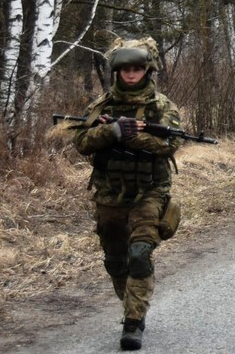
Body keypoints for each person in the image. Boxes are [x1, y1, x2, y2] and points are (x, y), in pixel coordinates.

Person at [72, 37, 182, 350]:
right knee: (115, 259)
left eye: (137, 69)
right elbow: (81, 142)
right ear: (117, 72)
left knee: (140, 253)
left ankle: (134, 321)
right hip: (109, 192)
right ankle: (131, 304)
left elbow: (170, 145)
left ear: (147, 71)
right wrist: (113, 131)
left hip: (150, 191)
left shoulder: (161, 106)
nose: (131, 75)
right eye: (125, 70)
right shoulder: (102, 106)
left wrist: (135, 136)